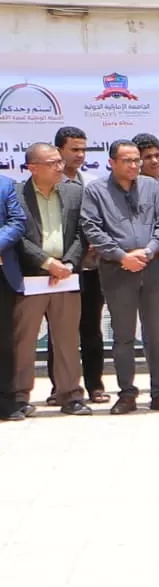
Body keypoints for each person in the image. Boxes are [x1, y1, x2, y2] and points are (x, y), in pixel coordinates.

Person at [82, 141, 159, 414]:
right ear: (111, 162)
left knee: (158, 335)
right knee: (123, 337)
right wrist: (123, 256)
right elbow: (92, 229)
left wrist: (147, 251)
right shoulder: (96, 191)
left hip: (154, 269)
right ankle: (126, 394)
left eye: (136, 160)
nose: (134, 165)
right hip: (117, 271)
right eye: (127, 160)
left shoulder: (151, 187)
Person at [10, 144, 89, 417]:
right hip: (30, 278)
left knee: (67, 340)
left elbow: (82, 233)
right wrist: (47, 263)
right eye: (52, 163)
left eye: (59, 161)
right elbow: (16, 236)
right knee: (23, 341)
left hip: (66, 278)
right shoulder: (15, 194)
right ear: (33, 167)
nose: (60, 167)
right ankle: (19, 397)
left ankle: (71, 396)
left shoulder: (74, 192)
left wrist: (67, 263)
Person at [58, 126, 108, 403]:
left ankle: (95, 385)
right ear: (59, 151)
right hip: (59, 270)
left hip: (89, 268)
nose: (79, 154)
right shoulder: (49, 184)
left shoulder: (92, 183)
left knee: (91, 327)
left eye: (82, 149)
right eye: (74, 149)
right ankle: (60, 387)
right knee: (60, 330)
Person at [0, 168, 20, 421]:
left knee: (3, 340)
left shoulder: (6, 185)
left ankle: (5, 401)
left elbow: (17, 221)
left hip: (2, 274)